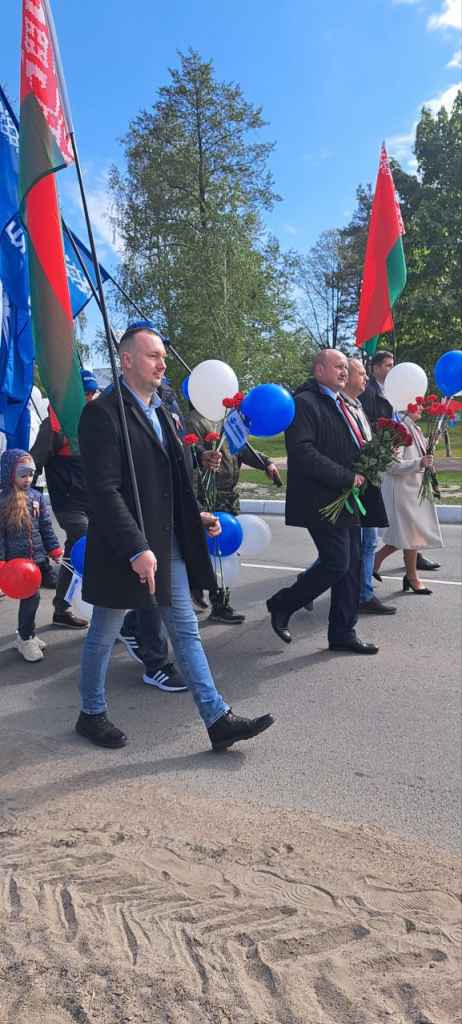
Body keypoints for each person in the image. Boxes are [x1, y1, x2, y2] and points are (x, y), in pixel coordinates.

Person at [75, 323, 274, 751]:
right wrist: (135, 547)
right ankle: (91, 713)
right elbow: (104, 491)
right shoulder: (103, 414)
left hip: (167, 543)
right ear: (126, 360)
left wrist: (196, 513)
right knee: (104, 634)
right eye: (152, 356)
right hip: (123, 547)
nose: (162, 363)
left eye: (163, 356)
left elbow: (171, 478)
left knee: (185, 633)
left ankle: (217, 718)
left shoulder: (163, 409)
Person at [266, 348, 379, 654]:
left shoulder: (345, 403)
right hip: (320, 498)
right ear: (319, 371)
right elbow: (302, 453)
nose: (345, 371)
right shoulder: (304, 403)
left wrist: (374, 458)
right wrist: (346, 476)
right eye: (338, 366)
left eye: (346, 367)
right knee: (336, 562)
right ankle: (282, 603)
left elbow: (352, 442)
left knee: (352, 567)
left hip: (348, 498)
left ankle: (343, 632)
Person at [187, 406, 281, 623]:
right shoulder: (195, 421)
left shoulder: (226, 418)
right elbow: (191, 457)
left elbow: (242, 448)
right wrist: (197, 502)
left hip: (229, 495)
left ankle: (200, 587)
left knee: (226, 548)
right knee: (219, 551)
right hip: (210, 495)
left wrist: (265, 462)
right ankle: (218, 604)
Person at [31, 368, 100, 629]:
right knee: (86, 544)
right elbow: (34, 460)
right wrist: (24, 495)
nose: (90, 397)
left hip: (95, 499)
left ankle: (61, 609)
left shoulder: (95, 420)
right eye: (85, 393)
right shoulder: (55, 424)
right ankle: (105, 613)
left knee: (73, 554)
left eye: (93, 392)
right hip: (69, 504)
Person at [360, 350, 439, 573]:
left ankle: (413, 563)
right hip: (382, 458)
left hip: (402, 455)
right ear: (374, 368)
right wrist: (388, 435)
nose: (390, 368)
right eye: (386, 365)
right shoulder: (369, 392)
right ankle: (372, 568)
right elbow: (368, 424)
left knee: (408, 527)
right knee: (401, 527)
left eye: (393, 364)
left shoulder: (400, 390)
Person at [341, 358, 396, 616]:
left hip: (368, 482)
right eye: (360, 373)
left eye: (364, 374)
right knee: (348, 547)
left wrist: (383, 448)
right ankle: (311, 583)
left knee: (366, 542)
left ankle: (364, 592)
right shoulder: (342, 406)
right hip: (352, 485)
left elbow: (366, 440)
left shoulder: (359, 406)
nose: (364, 378)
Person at [373, 404, 443, 594]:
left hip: (412, 490)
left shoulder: (414, 426)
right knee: (408, 535)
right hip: (402, 492)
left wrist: (430, 445)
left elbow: (418, 452)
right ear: (405, 405)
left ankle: (375, 563)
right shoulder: (399, 428)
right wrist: (420, 462)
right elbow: (392, 466)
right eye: (416, 403)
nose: (421, 407)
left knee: (406, 535)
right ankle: (411, 577)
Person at [0, 450, 62, 661]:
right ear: (10, 474)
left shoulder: (36, 497)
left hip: (36, 561)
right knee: (32, 598)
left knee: (33, 597)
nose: (28, 479)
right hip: (16, 566)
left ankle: (28, 635)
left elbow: (45, 527)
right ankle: (25, 639)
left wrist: (54, 549)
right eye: (23, 475)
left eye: (31, 474)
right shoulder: (3, 501)